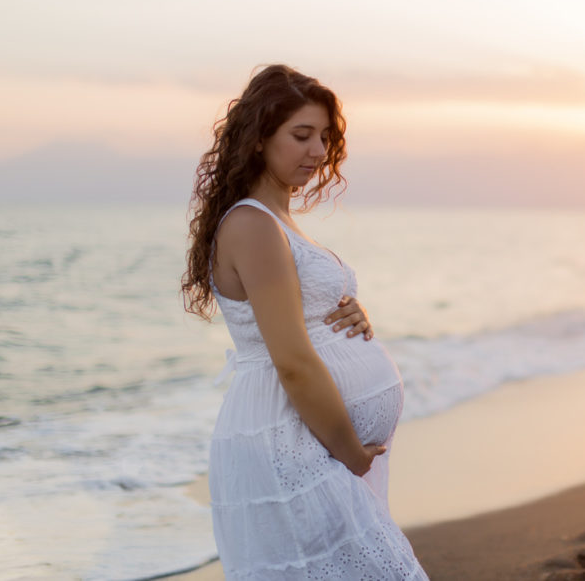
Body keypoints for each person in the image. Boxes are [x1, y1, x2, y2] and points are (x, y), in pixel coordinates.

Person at [181, 65, 429, 579]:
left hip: (313, 442)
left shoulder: (277, 223)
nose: (318, 151)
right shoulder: (252, 225)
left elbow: (300, 319)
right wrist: (350, 453)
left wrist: (351, 311)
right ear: (257, 139)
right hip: (290, 442)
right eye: (301, 135)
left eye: (324, 136)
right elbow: (291, 361)